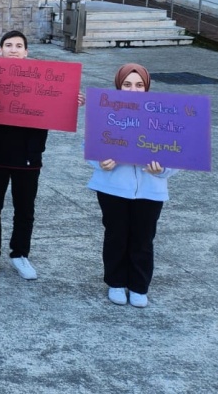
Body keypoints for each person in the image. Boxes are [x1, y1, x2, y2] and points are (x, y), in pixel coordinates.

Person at [0, 31, 66, 281]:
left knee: (24, 208)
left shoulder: (42, 81)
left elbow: (60, 102)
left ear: (26, 52)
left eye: (18, 46)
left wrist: (73, 99)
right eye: (8, 45)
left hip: (27, 157)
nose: (13, 49)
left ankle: (20, 253)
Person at [89, 64, 176, 308]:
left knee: (143, 238)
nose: (133, 90)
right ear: (118, 86)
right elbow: (92, 148)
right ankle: (116, 282)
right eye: (127, 84)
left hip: (150, 190)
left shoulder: (163, 116)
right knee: (116, 235)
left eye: (139, 85)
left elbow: (179, 152)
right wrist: (101, 163)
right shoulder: (105, 112)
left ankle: (139, 286)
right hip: (113, 188)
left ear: (147, 88)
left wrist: (163, 169)